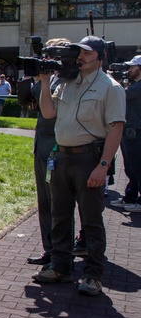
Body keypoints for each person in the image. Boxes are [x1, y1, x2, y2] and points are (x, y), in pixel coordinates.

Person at [32, 36, 125, 296]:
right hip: (61, 157)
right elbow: (49, 113)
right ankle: (60, 267)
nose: (79, 57)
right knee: (60, 216)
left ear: (100, 56)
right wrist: (45, 80)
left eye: (86, 53)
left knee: (91, 220)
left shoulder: (110, 87)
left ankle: (93, 276)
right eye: (78, 53)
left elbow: (116, 127)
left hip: (89, 160)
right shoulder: (67, 82)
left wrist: (103, 165)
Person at [20, 39, 67, 266]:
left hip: (59, 147)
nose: (46, 60)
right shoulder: (44, 80)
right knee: (45, 202)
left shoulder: (69, 81)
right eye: (45, 55)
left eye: (51, 55)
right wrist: (33, 77)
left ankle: (61, 253)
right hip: (41, 146)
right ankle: (50, 249)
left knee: (59, 203)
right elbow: (27, 102)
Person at [116, 55, 141, 212]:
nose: (129, 70)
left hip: (136, 131)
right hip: (130, 129)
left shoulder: (138, 88)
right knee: (131, 167)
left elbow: (120, 95)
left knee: (137, 166)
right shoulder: (135, 85)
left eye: (132, 67)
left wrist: (115, 82)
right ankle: (130, 197)